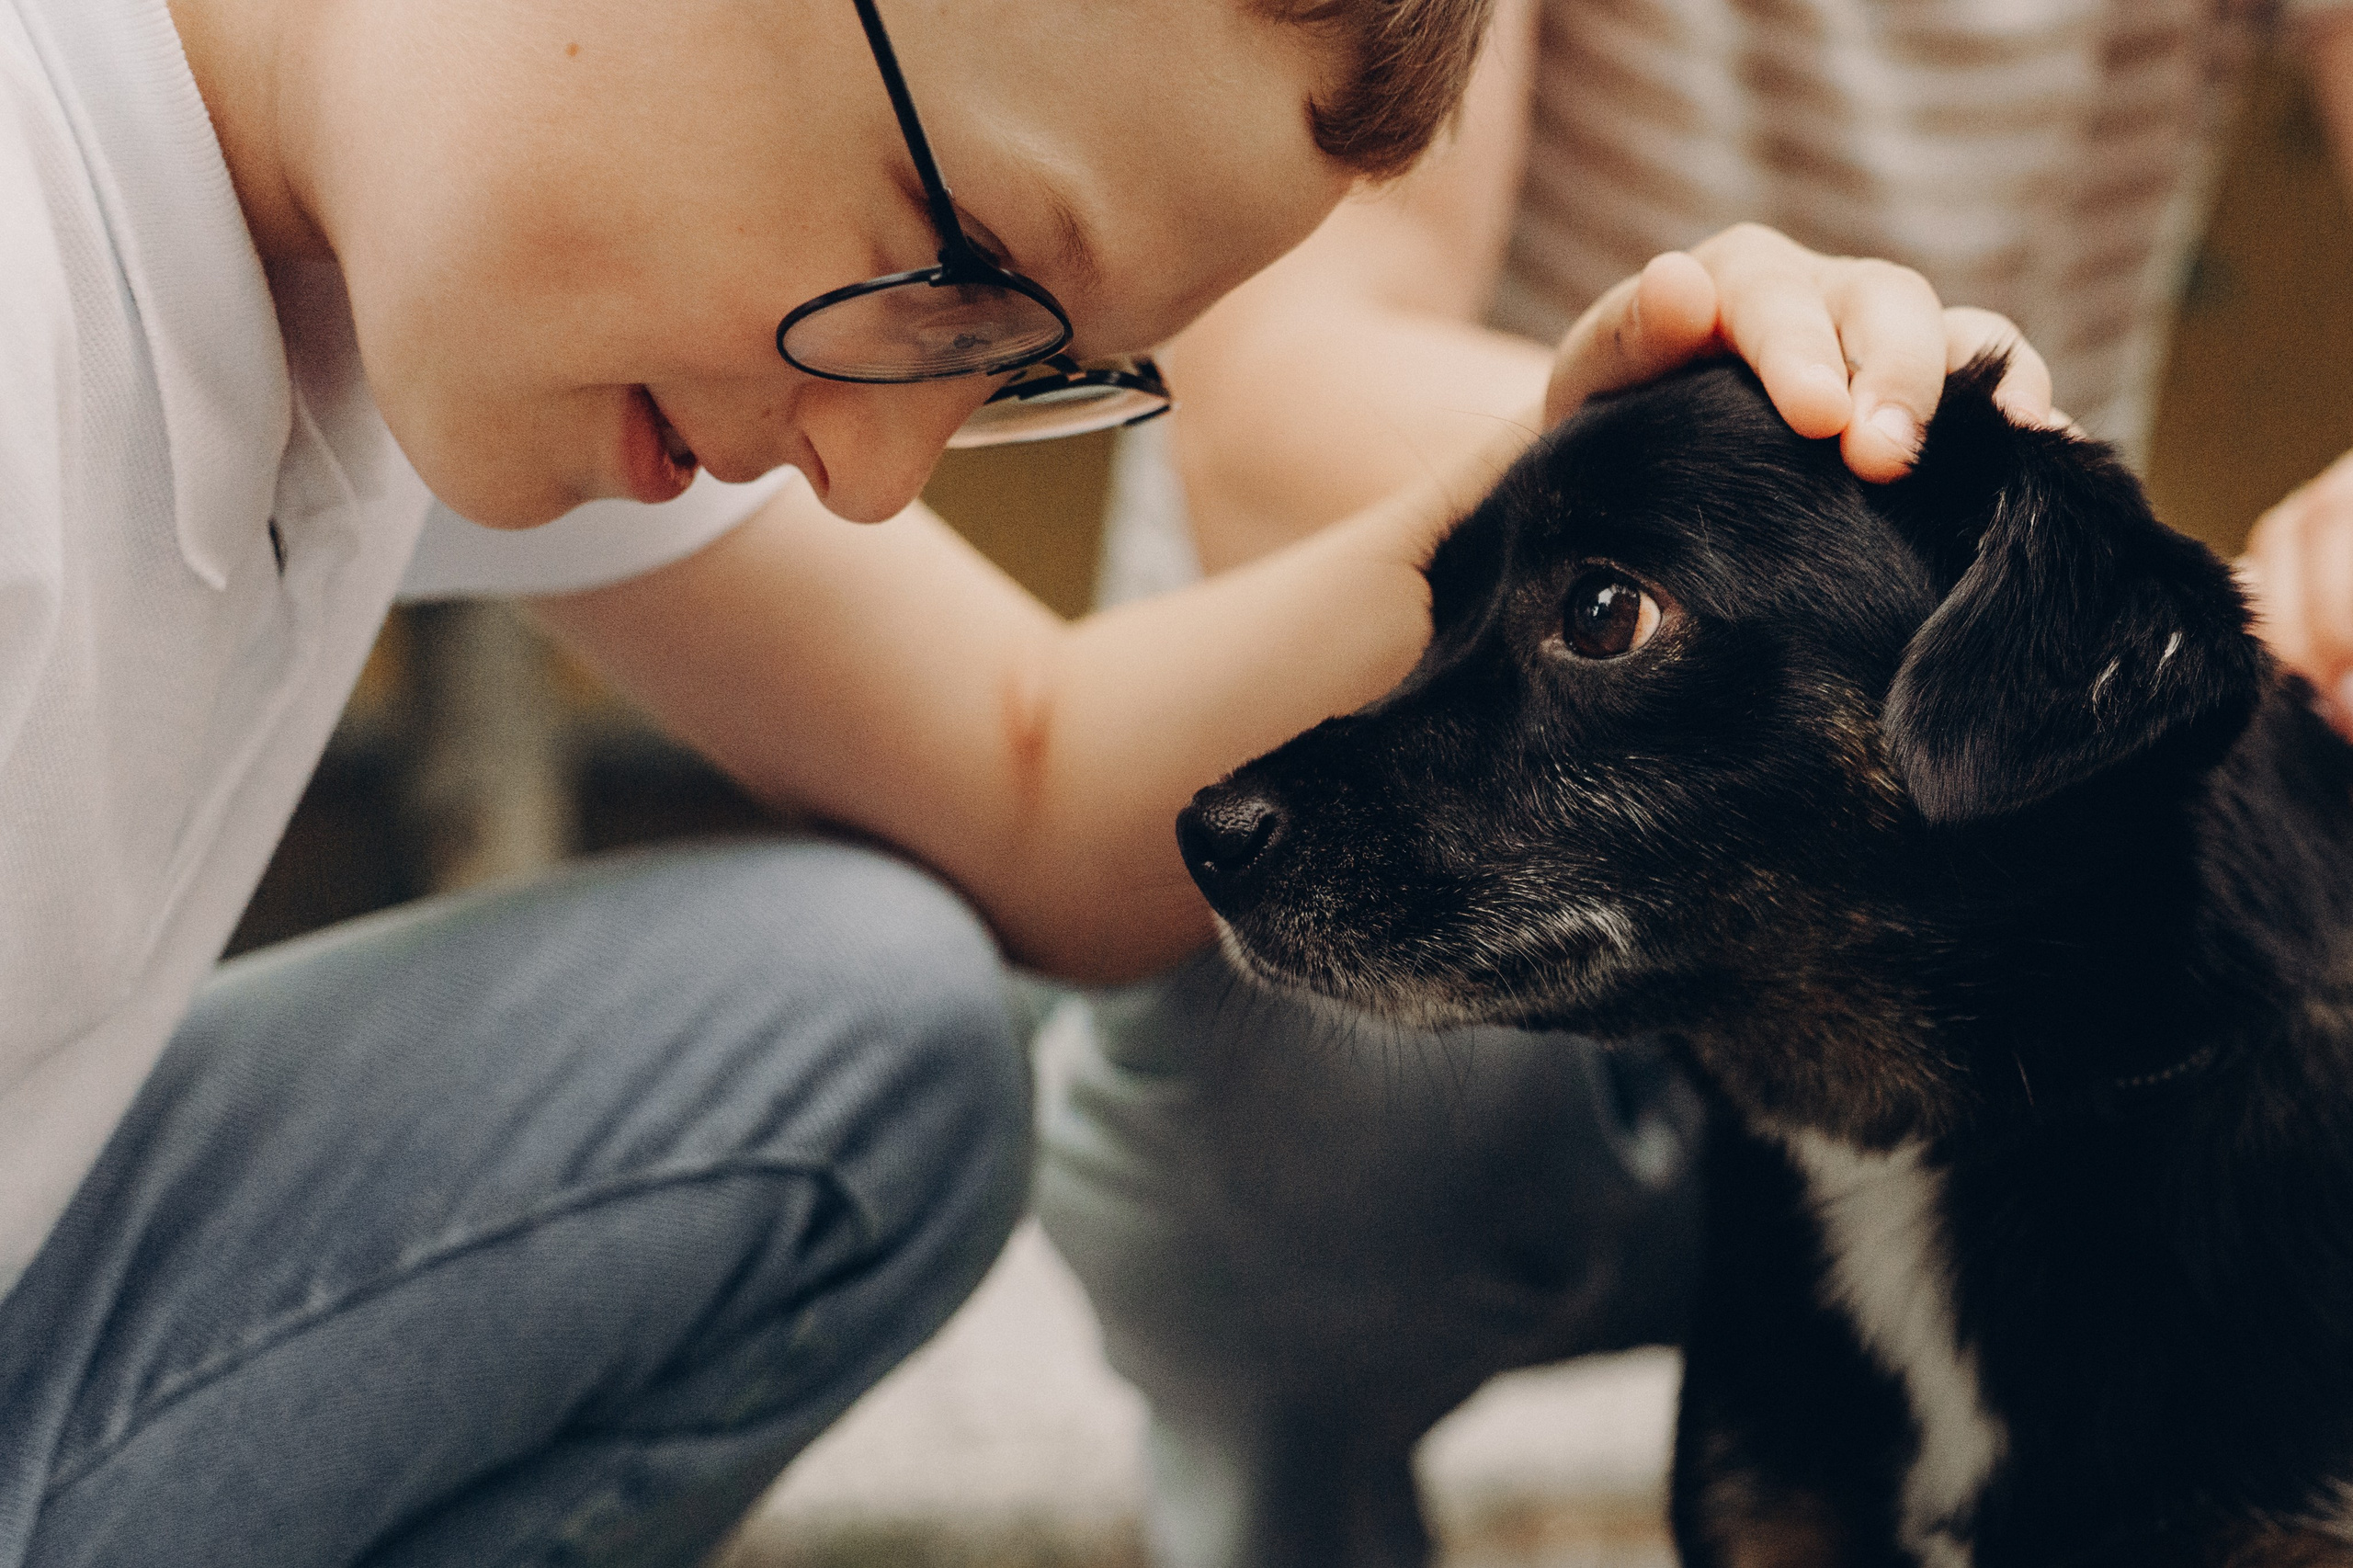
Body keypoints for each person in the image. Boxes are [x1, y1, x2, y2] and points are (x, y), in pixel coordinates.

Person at [0, 0, 2055, 1561]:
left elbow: (1025, 787)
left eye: (1018, 368)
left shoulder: (396, 240)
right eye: (955, 251)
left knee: (857, 1021)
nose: (875, 470)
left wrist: (1573, 474)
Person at [1035, 5, 2353, 1567]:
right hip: (1527, 983)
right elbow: (1267, 409)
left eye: (1598, 620)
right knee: (1283, 1116)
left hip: (1970, 817)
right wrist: (1687, 447)